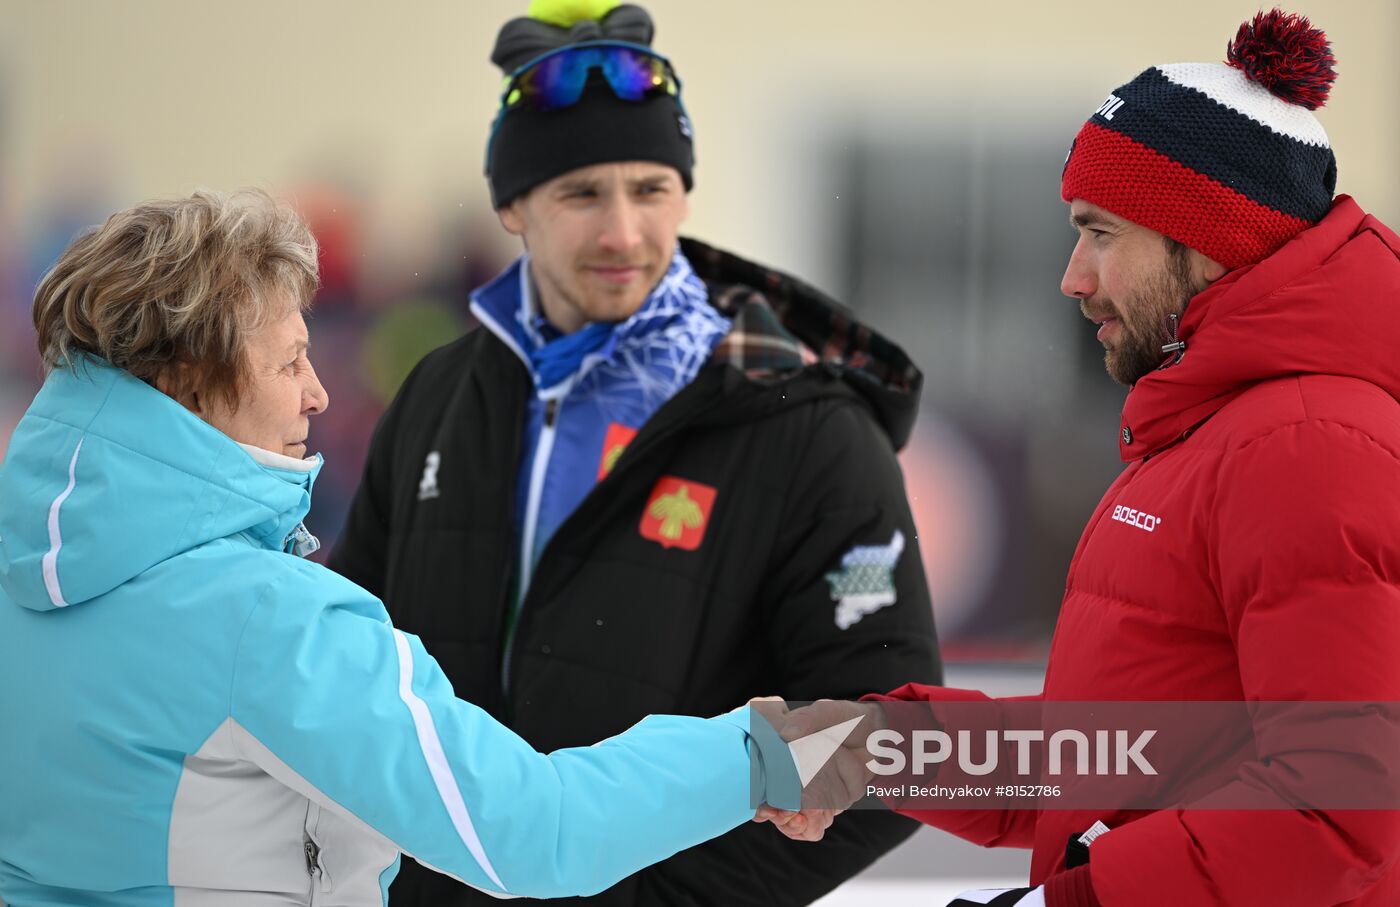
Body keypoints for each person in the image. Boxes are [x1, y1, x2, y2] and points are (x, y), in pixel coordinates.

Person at [0, 188, 823, 905]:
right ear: (188, 386)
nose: (320, 392)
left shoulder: (17, 582)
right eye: (290, 362)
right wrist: (760, 755)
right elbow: (540, 830)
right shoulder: (265, 620)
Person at [774, 9, 1400, 906]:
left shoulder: (1304, 445)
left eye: (1100, 232)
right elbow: (1127, 756)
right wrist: (878, 747)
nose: (1072, 276)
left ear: (1206, 239)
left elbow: (1335, 809)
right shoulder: (1216, 432)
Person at [327, 1, 941, 904]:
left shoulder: (803, 427)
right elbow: (350, 678)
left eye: (650, 188)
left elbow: (891, 754)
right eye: (581, 193)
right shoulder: (438, 396)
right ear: (511, 205)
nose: (622, 232)